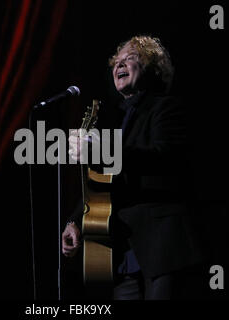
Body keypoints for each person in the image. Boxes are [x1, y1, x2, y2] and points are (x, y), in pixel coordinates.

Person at [62, 35, 206, 300]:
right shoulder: (115, 118)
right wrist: (75, 221)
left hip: (162, 248)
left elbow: (165, 158)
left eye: (130, 58)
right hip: (121, 252)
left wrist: (104, 150)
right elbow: (101, 182)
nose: (120, 64)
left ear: (151, 66)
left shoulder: (166, 107)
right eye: (116, 61)